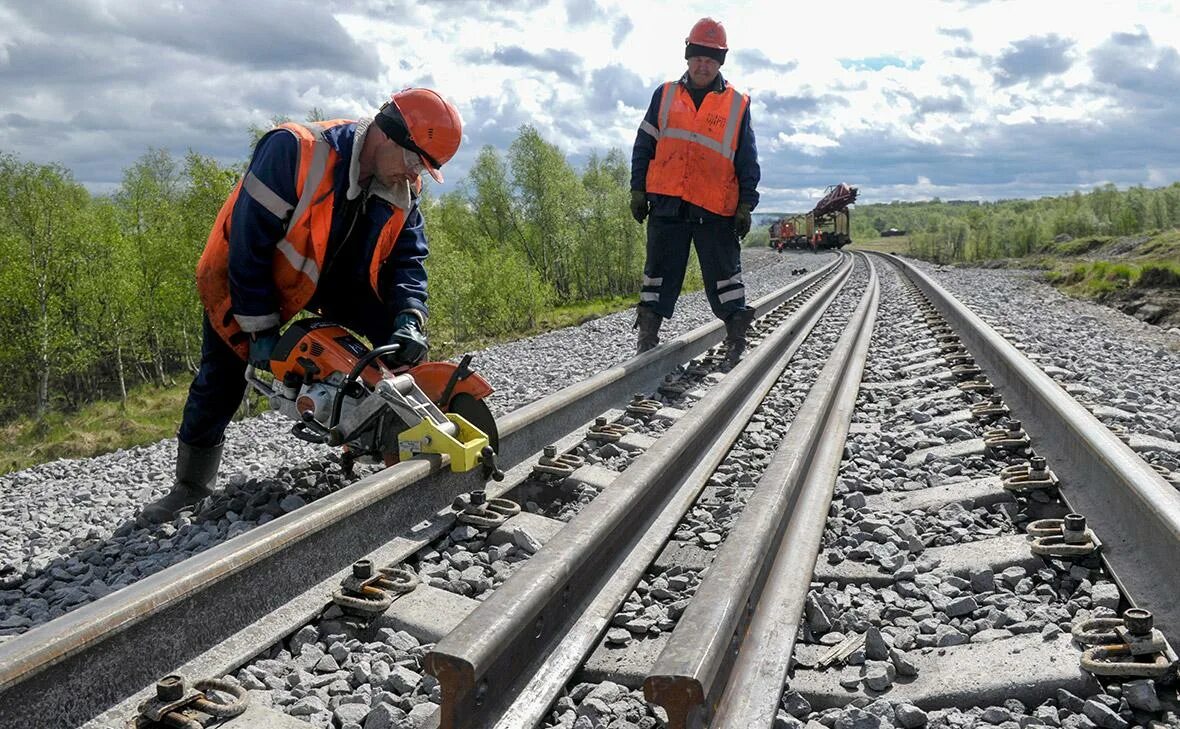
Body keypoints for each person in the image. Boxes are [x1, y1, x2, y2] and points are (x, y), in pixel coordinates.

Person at [141, 88, 463, 524]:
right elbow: (247, 247)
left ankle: (381, 435)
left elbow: (409, 257)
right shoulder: (293, 151)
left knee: (397, 346)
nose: (414, 175)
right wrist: (259, 331)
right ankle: (190, 486)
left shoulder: (403, 182)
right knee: (222, 375)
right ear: (388, 136)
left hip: (332, 277)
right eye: (414, 161)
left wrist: (409, 316)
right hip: (250, 277)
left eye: (423, 169)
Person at [629, 17, 761, 368]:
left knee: (725, 276)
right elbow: (644, 144)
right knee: (657, 273)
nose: (703, 65)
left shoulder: (737, 103)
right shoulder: (665, 94)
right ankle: (647, 338)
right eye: (698, 57)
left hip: (715, 206)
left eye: (711, 59)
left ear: (720, 63)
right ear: (688, 58)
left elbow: (747, 158)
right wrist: (637, 189)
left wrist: (746, 203)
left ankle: (735, 339)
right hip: (667, 202)